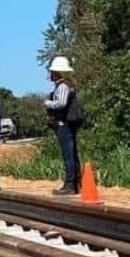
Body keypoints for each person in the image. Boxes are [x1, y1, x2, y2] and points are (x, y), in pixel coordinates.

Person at [44, 56, 81, 196]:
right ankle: (75, 184)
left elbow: (61, 103)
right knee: (71, 154)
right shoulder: (67, 85)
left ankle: (70, 185)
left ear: (56, 72)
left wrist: (48, 103)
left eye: (52, 72)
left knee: (68, 155)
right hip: (67, 123)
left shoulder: (63, 86)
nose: (50, 75)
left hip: (64, 124)